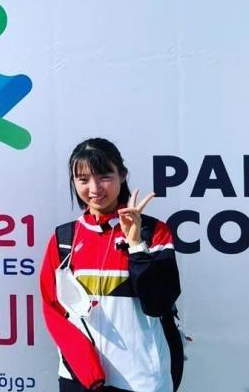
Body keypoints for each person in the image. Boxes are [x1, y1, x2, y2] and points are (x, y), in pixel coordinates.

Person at [40, 138, 183, 392]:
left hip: (142, 380)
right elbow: (54, 312)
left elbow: (158, 303)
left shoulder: (154, 232)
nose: (94, 188)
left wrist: (137, 244)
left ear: (123, 175)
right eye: (83, 180)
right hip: (81, 379)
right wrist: (89, 371)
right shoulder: (64, 239)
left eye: (104, 176)